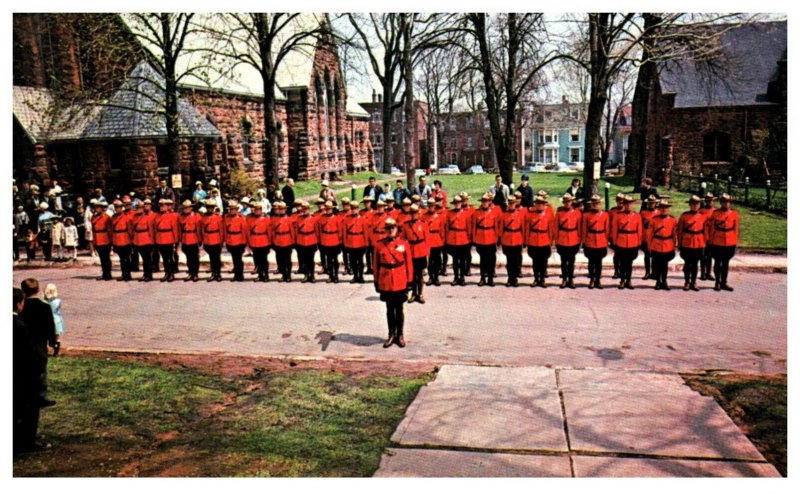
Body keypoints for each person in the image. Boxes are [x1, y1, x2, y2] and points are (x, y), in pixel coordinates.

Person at [13, 288, 48, 454]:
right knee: (28, 407)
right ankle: (26, 440)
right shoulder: (19, 325)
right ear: (19, 304)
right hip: (22, 373)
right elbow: (27, 352)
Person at [373, 217, 414, 348]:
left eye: (393, 228)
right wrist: (376, 281)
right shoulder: (379, 245)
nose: (390, 231)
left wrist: (410, 281)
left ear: (397, 229)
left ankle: (400, 335)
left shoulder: (403, 243)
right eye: (388, 228)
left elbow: (408, 263)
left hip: (400, 280)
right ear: (385, 230)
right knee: (390, 309)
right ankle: (391, 334)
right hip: (385, 280)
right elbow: (376, 264)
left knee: (399, 309)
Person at [20, 278, 57, 409]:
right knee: (40, 371)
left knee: (23, 370)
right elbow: (50, 326)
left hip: (23, 343)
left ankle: (25, 395)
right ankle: (40, 396)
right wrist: (53, 342)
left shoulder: (20, 306)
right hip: (39, 344)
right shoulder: (44, 307)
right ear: (38, 289)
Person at [707, 193, 739, 291]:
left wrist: (734, 242)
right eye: (724, 202)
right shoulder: (715, 213)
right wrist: (711, 241)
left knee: (725, 263)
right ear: (721, 203)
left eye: (728, 202)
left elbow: (735, 229)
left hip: (729, 241)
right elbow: (712, 227)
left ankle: (724, 282)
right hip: (717, 240)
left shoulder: (734, 214)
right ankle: (717, 282)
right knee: (717, 262)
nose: (726, 204)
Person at [610, 195, 642, 289]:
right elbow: (615, 229)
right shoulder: (618, 215)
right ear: (624, 205)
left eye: (630, 204)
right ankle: (622, 280)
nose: (628, 206)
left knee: (629, 263)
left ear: (633, 205)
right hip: (621, 241)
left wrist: (639, 242)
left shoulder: (637, 216)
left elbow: (639, 230)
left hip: (633, 241)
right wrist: (615, 242)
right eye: (626, 204)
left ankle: (629, 280)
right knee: (623, 262)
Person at [524, 195, 556, 287]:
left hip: (544, 240)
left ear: (544, 205)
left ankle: (542, 279)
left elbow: (551, 228)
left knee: (543, 261)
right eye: (537, 204)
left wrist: (551, 241)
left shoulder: (548, 214)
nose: (539, 206)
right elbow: (527, 228)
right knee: (535, 261)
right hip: (533, 240)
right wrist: (527, 241)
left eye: (541, 204)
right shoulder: (530, 214)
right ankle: (536, 278)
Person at [677, 195, 707, 291]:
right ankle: (686, 282)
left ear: (699, 205)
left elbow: (705, 231)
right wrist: (680, 243)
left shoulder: (703, 216)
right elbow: (680, 231)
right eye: (693, 204)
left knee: (695, 264)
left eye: (697, 204)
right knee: (687, 263)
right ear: (689, 205)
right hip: (687, 242)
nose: (695, 206)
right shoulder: (684, 216)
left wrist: (705, 244)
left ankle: (693, 282)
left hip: (698, 242)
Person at [401, 204, 430, 302]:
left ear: (418, 214)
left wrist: (427, 253)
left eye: (415, 213)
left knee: (420, 275)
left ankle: (420, 293)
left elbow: (427, 240)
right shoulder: (406, 225)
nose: (413, 215)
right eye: (412, 213)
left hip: (420, 251)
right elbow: (403, 239)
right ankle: (413, 293)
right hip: (410, 251)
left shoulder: (423, 224)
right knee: (412, 275)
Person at [471, 193, 501, 287]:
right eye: (483, 201)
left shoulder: (493, 212)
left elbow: (496, 226)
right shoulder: (476, 212)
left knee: (491, 260)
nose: (485, 203)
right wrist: (474, 239)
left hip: (491, 238)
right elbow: (474, 227)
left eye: (487, 202)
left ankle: (490, 278)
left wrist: (497, 238)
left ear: (489, 202)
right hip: (480, 238)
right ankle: (482, 278)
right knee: (483, 260)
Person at [647, 200, 678, 290]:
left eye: (666, 208)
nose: (664, 209)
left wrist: (674, 245)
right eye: (662, 207)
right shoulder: (654, 219)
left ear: (668, 209)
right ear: (659, 209)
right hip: (656, 244)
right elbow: (650, 234)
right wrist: (649, 246)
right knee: (657, 264)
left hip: (667, 245)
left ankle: (664, 281)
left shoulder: (672, 220)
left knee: (664, 264)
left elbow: (674, 234)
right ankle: (658, 281)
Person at [582, 194, 611, 289]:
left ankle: (598, 280)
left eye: (597, 203)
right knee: (591, 261)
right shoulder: (586, 215)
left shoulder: (605, 215)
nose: (595, 205)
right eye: (593, 204)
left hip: (601, 240)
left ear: (600, 204)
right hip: (590, 240)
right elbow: (584, 229)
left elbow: (607, 229)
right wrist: (584, 240)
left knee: (599, 262)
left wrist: (606, 241)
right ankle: (592, 279)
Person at [554, 194, 582, 289]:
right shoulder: (559, 213)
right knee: (563, 261)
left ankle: (571, 278)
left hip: (573, 239)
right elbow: (556, 227)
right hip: (562, 240)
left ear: (572, 202)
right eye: (565, 202)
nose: (567, 204)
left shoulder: (577, 213)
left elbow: (579, 228)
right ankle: (564, 278)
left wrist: (579, 240)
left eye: (569, 202)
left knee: (571, 261)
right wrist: (556, 240)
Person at [445, 195, 471, 286]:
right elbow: (447, 226)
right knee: (455, 260)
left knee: (462, 260)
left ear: (461, 203)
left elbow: (469, 227)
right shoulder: (449, 213)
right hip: (453, 238)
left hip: (463, 238)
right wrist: (447, 238)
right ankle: (456, 277)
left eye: (459, 203)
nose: (457, 205)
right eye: (455, 203)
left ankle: (462, 277)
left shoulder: (465, 213)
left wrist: (469, 238)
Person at [500, 194, 524, 286]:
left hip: (517, 238)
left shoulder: (520, 214)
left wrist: (523, 240)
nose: (511, 205)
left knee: (516, 260)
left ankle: (515, 278)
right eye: (510, 203)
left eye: (513, 203)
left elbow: (523, 228)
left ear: (515, 203)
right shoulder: (504, 215)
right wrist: (501, 239)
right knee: (509, 261)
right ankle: (510, 278)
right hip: (507, 239)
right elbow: (501, 228)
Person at [317, 201, 344, 283]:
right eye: (327, 209)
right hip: (326, 240)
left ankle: (335, 275)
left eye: (329, 209)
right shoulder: (321, 218)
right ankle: (330, 275)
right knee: (328, 260)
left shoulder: (337, 218)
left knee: (335, 260)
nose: (328, 210)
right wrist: (320, 241)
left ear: (332, 209)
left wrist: (340, 242)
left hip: (335, 240)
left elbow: (340, 231)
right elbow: (320, 230)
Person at [154, 199, 180, 282]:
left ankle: (171, 273)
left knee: (170, 257)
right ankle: (166, 273)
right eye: (160, 206)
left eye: (163, 206)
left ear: (167, 207)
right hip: (160, 238)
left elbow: (174, 229)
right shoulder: (157, 216)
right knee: (164, 258)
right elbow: (155, 228)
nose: (162, 208)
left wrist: (175, 240)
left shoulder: (171, 216)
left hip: (169, 238)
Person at [343, 201, 369, 283]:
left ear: (358, 209)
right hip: (351, 242)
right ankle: (355, 276)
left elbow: (365, 232)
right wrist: (345, 243)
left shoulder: (362, 219)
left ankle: (360, 276)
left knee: (360, 261)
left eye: (356, 209)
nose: (354, 210)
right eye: (353, 209)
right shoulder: (347, 219)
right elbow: (345, 232)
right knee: (353, 261)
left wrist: (366, 244)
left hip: (360, 241)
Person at [224, 200, 249, 281]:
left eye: (233, 209)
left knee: (238, 259)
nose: (231, 210)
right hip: (230, 241)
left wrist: (244, 243)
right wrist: (226, 241)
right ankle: (236, 274)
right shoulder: (226, 218)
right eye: (230, 209)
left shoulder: (241, 218)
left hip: (239, 241)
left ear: (237, 209)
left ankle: (240, 275)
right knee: (234, 259)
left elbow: (244, 231)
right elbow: (225, 230)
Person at [422, 198, 446, 287]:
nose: (431, 207)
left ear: (435, 206)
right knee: (429, 260)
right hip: (428, 239)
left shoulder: (439, 216)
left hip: (437, 239)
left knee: (437, 260)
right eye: (429, 206)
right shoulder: (423, 216)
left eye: (432, 206)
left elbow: (442, 230)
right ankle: (431, 277)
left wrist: (442, 240)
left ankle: (436, 277)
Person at [294, 201, 318, 283]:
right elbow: (296, 231)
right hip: (301, 241)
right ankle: (306, 275)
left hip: (311, 241)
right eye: (303, 209)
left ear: (309, 209)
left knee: (311, 260)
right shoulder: (298, 219)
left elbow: (317, 231)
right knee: (304, 260)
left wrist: (316, 242)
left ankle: (312, 275)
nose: (305, 211)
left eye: (306, 209)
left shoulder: (313, 219)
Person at [110, 200, 135, 281]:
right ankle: (124, 274)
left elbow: (130, 229)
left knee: (126, 258)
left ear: (122, 207)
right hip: (117, 238)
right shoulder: (113, 217)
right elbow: (112, 229)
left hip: (125, 238)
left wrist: (131, 239)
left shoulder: (126, 216)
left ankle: (128, 274)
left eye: (119, 207)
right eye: (116, 207)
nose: (117, 209)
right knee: (121, 258)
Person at [247, 202, 272, 282]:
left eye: (258, 209)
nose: (256, 211)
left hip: (264, 241)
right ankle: (260, 275)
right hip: (254, 241)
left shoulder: (266, 219)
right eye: (255, 209)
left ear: (261, 210)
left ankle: (266, 275)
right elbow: (248, 231)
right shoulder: (250, 219)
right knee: (257, 259)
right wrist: (249, 242)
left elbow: (269, 232)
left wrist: (269, 243)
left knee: (264, 260)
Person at [133, 199, 157, 281]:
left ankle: (148, 275)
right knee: (143, 258)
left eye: (140, 208)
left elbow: (150, 229)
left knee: (147, 259)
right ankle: (145, 274)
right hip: (138, 240)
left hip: (146, 239)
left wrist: (152, 240)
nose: (138, 209)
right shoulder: (135, 217)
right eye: (137, 208)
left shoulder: (147, 217)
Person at [271, 201, 295, 282]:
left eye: (283, 209)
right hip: (278, 240)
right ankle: (283, 274)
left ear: (285, 210)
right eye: (280, 209)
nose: (281, 210)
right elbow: (273, 231)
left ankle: (288, 275)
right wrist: (274, 241)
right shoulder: (275, 219)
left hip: (287, 240)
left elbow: (292, 231)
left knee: (287, 260)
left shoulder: (289, 219)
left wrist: (292, 242)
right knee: (281, 259)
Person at [179, 200, 203, 282]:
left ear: (191, 208)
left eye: (187, 208)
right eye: (184, 208)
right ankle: (190, 273)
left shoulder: (196, 216)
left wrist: (200, 240)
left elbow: (199, 229)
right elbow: (180, 229)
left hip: (193, 238)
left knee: (195, 258)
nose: (185, 209)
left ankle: (195, 273)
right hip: (185, 239)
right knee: (188, 258)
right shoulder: (181, 217)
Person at [201, 199, 225, 282]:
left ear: (214, 208)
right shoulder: (203, 217)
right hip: (208, 239)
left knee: (217, 258)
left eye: (211, 207)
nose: (210, 209)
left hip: (216, 238)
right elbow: (202, 229)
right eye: (208, 207)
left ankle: (218, 273)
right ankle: (213, 273)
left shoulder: (218, 217)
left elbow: (221, 229)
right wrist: (203, 240)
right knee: (211, 257)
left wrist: (222, 241)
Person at [91, 200, 113, 280]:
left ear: (102, 208)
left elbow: (109, 229)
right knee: (101, 258)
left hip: (105, 239)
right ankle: (104, 273)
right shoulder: (94, 217)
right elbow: (93, 229)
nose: (96, 209)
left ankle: (108, 274)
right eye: (95, 207)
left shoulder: (107, 217)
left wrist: (111, 241)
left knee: (106, 258)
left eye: (98, 207)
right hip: (97, 239)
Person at [639, 195, 658, 280]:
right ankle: (647, 272)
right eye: (650, 203)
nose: (651, 205)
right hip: (646, 237)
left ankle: (654, 272)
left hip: (655, 237)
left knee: (655, 256)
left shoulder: (658, 212)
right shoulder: (643, 213)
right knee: (647, 255)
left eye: (653, 203)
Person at [699, 193, 717, 280]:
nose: (709, 202)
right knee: (703, 255)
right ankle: (702, 273)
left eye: (711, 200)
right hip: (703, 235)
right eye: (708, 201)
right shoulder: (701, 211)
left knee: (710, 255)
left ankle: (708, 272)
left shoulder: (716, 211)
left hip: (712, 236)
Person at [43, 283, 64, 356]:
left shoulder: (43, 301)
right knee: (57, 337)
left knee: (45, 336)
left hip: (46, 319)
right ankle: (56, 352)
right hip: (56, 319)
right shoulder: (58, 301)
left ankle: (45, 350)